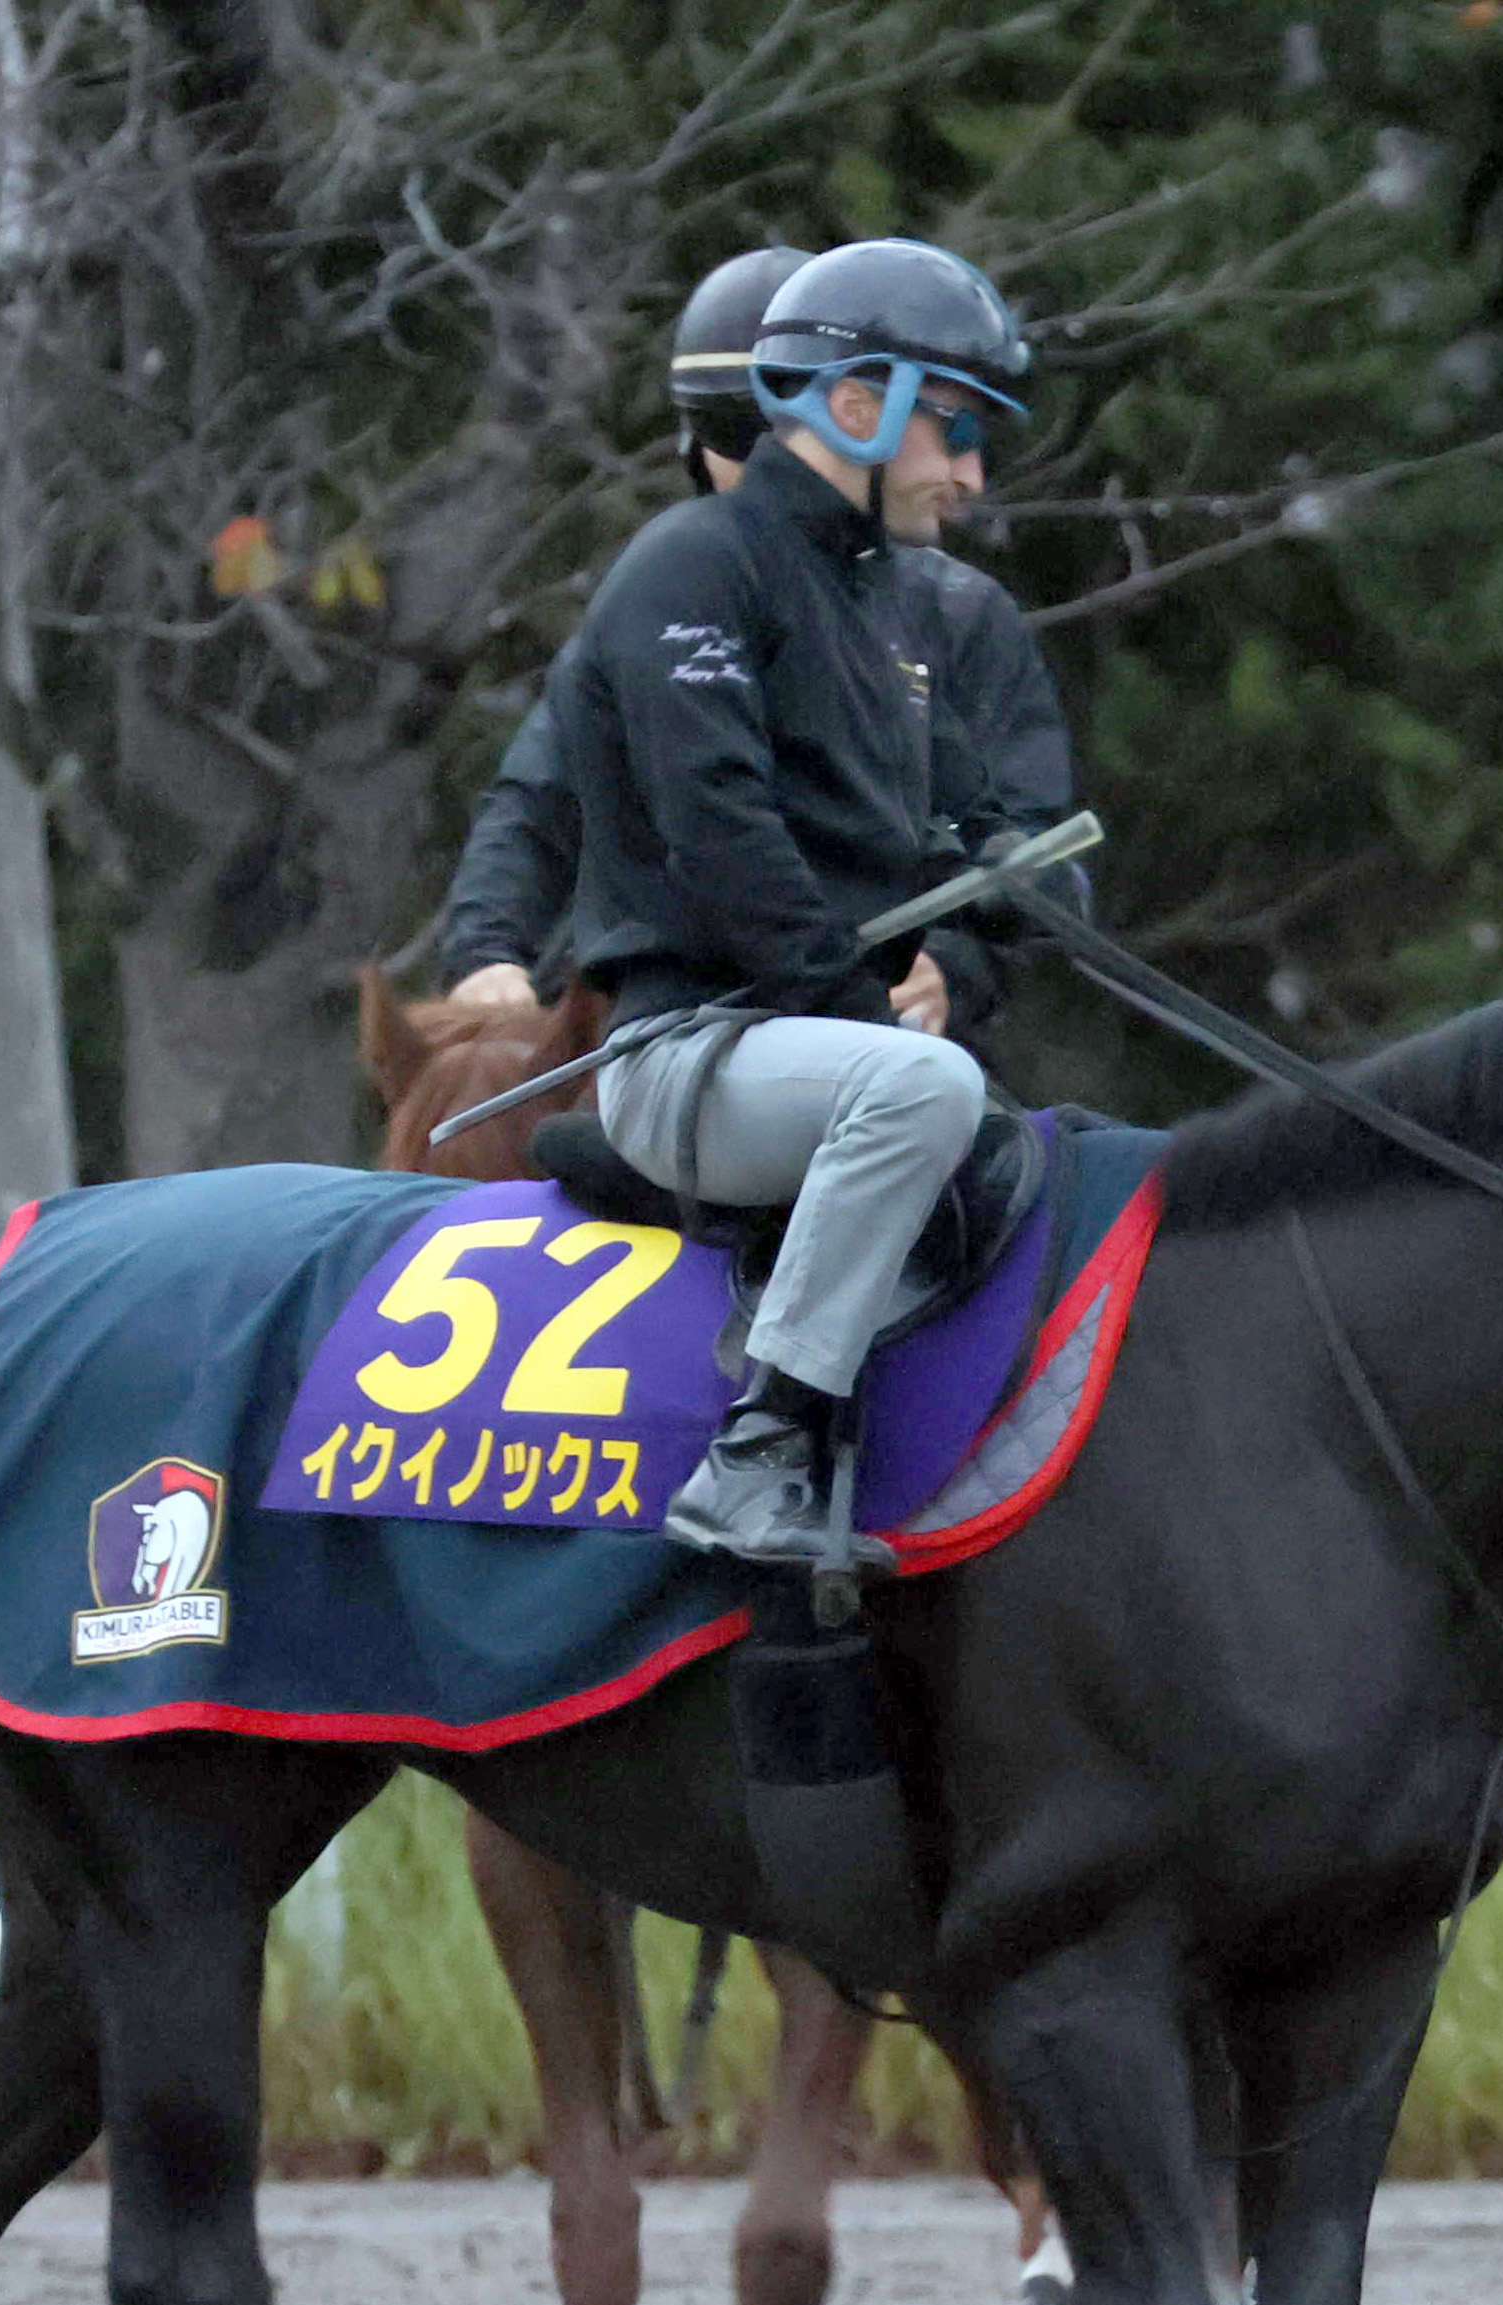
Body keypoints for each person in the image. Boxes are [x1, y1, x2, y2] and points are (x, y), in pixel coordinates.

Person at [546, 238, 1043, 1568]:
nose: (971, 474)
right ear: (857, 402)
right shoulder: (690, 565)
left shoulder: (888, 608)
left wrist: (1016, 886)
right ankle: (758, 1453)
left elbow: (961, 812)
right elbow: (720, 834)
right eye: (956, 428)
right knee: (926, 1089)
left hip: (810, 1048)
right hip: (685, 1056)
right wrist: (866, 993)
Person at [430, 246, 1080, 1057]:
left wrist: (954, 966)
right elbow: (547, 788)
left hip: (890, 1030)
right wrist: (487, 949)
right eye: (737, 435)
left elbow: (1025, 840)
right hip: (693, 1023)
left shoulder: (955, 615)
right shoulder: (683, 584)